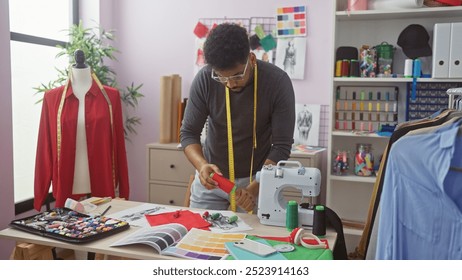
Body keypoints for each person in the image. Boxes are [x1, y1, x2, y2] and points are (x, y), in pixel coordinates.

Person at [180, 23, 295, 212]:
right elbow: (188, 133)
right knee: (201, 236)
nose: (230, 84)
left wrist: (255, 188)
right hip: (213, 181)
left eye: (237, 76)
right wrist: (202, 166)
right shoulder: (204, 79)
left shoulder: (277, 83)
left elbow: (281, 147)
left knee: (256, 240)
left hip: (258, 181)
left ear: (251, 59)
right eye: (221, 77)